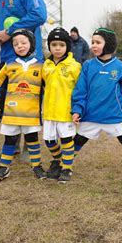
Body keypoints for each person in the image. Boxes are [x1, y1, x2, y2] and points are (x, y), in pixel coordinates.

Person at [71, 28, 122, 181]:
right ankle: (65, 167)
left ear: (108, 44)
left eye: (98, 42)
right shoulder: (88, 66)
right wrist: (77, 110)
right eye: (92, 42)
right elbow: (80, 91)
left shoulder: (119, 66)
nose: (93, 46)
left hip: (114, 115)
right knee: (77, 141)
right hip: (91, 115)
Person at [0, 29, 46, 181]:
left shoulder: (41, 65)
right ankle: (3, 167)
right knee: (10, 140)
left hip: (31, 113)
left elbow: (51, 88)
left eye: (23, 42)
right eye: (15, 44)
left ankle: (37, 166)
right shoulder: (9, 65)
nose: (20, 46)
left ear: (31, 44)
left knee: (32, 138)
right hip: (11, 112)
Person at [42, 27, 81, 183]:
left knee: (66, 141)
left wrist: (77, 109)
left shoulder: (74, 66)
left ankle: (67, 168)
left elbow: (80, 90)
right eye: (54, 44)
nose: (57, 48)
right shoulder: (46, 65)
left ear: (67, 46)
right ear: (49, 46)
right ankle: (58, 161)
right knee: (49, 141)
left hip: (65, 112)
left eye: (61, 45)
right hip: (49, 112)